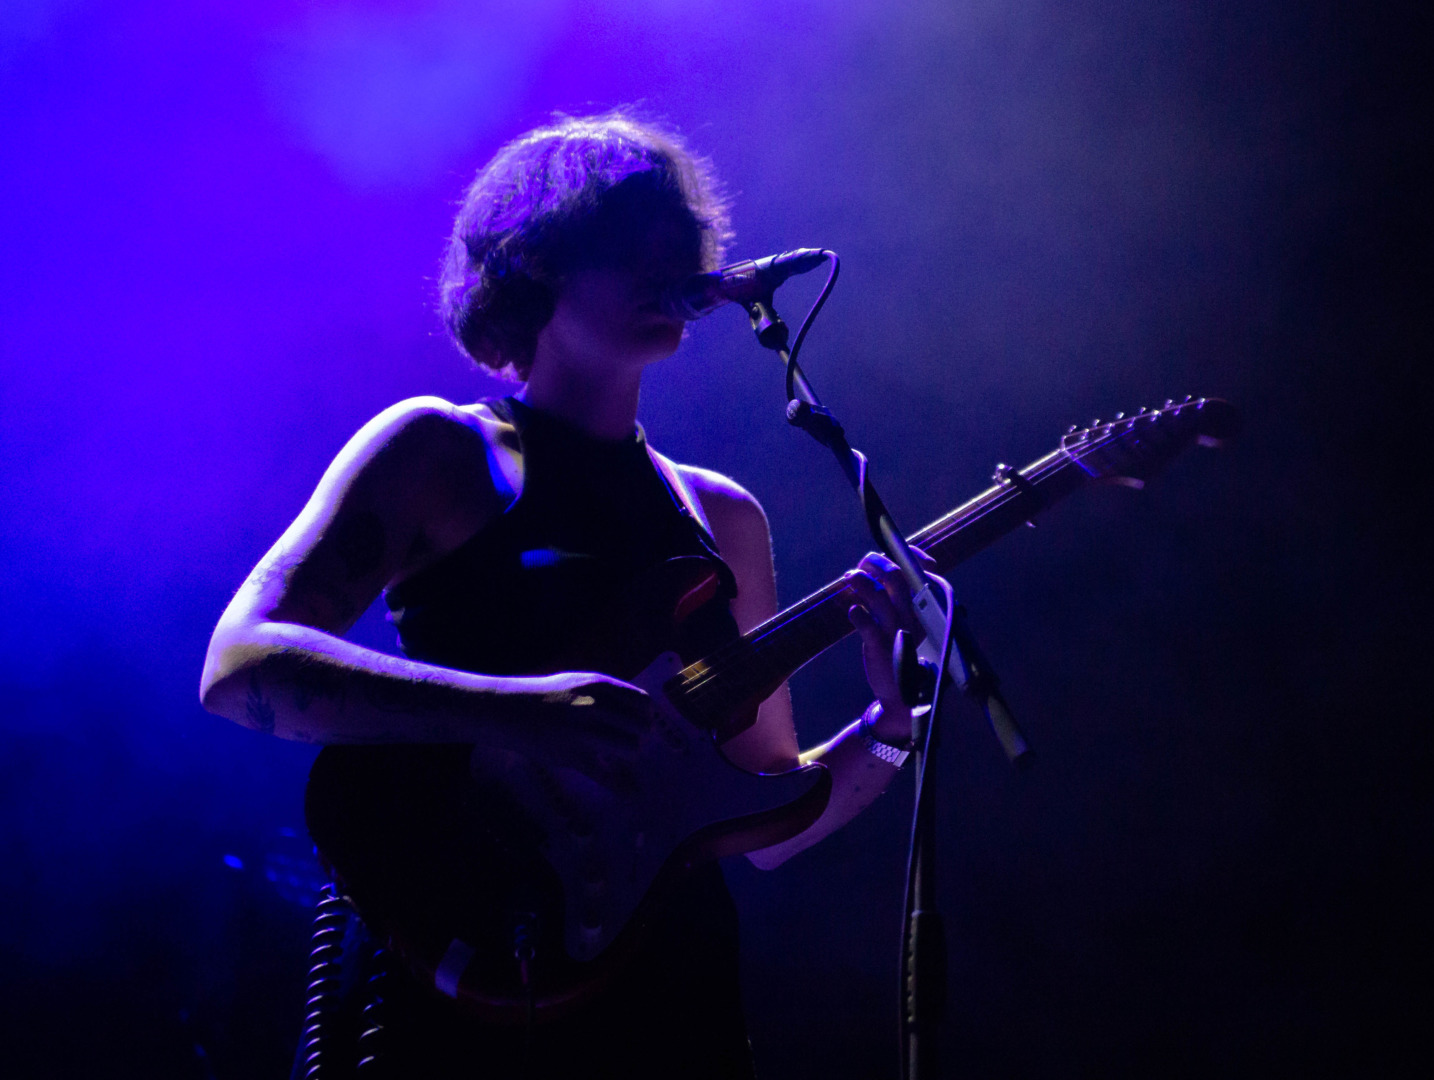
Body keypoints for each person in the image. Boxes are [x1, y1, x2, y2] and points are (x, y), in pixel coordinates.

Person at [200, 112, 926, 1078]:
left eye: (683, 240)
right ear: (534, 262)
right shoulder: (441, 450)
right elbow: (241, 663)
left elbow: (766, 828)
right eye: (632, 241)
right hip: (464, 969)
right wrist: (514, 713)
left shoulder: (724, 515)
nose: (672, 267)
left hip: (669, 1002)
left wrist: (890, 723)